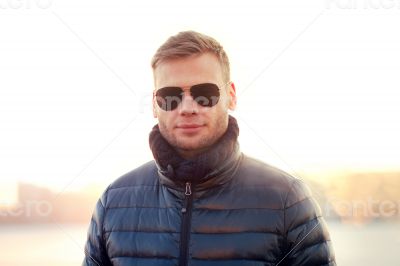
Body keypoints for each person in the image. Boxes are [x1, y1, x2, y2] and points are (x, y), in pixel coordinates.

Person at [82, 30, 336, 266]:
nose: (188, 107)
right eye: (170, 95)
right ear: (153, 104)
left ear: (231, 96)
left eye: (205, 93)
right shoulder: (113, 202)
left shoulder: (287, 199)